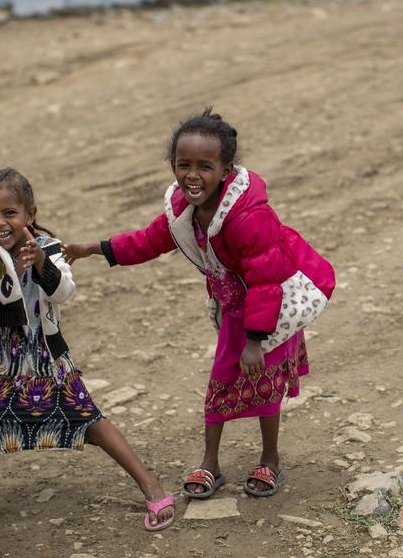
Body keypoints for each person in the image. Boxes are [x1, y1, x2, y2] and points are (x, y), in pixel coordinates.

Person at [62, 109, 335, 499]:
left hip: (272, 310)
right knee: (221, 384)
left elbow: (265, 279)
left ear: (226, 170)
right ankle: (211, 462)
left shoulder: (248, 217)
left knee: (267, 385)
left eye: (204, 166)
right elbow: (149, 240)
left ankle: (270, 459)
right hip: (236, 311)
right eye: (182, 164)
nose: (192, 175)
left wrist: (256, 340)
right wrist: (93, 249)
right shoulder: (184, 211)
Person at [0, 168, 175, 532]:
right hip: (6, 361)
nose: (0, 223)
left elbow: (63, 292)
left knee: (91, 423)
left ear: (30, 215)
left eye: (10, 213)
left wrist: (39, 263)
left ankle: (151, 485)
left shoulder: (50, 250)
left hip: (47, 360)